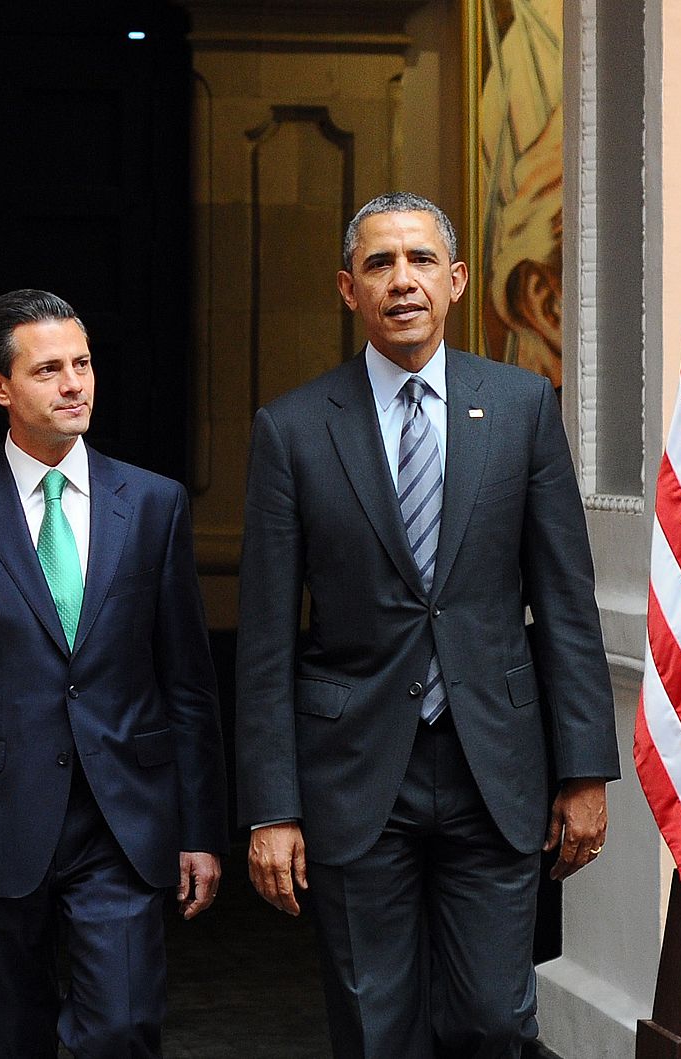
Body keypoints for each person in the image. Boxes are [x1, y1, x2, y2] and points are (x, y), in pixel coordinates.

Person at [235, 192, 619, 1058]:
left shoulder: (523, 405)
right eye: (378, 264)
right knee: (378, 1029)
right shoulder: (292, 429)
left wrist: (586, 769)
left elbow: (565, 597)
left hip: (497, 766)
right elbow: (262, 638)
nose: (400, 280)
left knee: (493, 1018)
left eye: (417, 261)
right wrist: (270, 807)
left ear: (456, 280)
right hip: (356, 775)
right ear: (347, 289)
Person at [0, 289, 228, 1058]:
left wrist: (201, 828)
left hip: (122, 817)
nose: (75, 383)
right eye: (49, 370)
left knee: (123, 1026)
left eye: (83, 363)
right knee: (11, 1038)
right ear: (0, 387)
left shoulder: (156, 503)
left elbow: (189, 683)